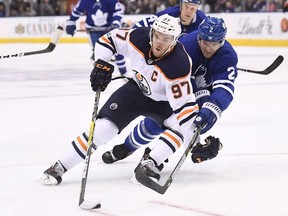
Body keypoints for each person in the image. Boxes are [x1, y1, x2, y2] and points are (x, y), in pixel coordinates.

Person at [41, 14, 200, 185]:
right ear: (151, 33)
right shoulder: (138, 37)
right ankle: (59, 166)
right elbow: (108, 40)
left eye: (166, 39)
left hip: (164, 103)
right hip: (135, 91)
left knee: (178, 125)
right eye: (157, 36)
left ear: (175, 41)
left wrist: (195, 144)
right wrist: (101, 63)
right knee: (102, 130)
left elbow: (185, 108)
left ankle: (149, 163)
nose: (160, 42)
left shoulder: (179, 64)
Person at [102, 16, 238, 167]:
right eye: (205, 42)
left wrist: (213, 107)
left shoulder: (227, 55)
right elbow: (180, 80)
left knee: (199, 121)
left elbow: (224, 87)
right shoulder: (186, 46)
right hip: (175, 89)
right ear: (199, 37)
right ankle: (127, 147)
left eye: (214, 44)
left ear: (222, 41)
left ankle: (155, 156)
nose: (208, 48)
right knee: (154, 124)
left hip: (203, 92)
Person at [66, 0, 127, 75]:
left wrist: (116, 22)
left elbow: (118, 11)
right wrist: (71, 22)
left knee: (117, 50)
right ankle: (101, 75)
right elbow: (77, 11)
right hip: (93, 30)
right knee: (99, 53)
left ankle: (124, 73)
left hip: (109, 29)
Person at [134, 0, 206, 37]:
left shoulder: (202, 21)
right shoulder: (168, 14)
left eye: (192, 8)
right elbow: (137, 27)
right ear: (181, 6)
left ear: (197, 9)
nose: (188, 11)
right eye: (186, 7)